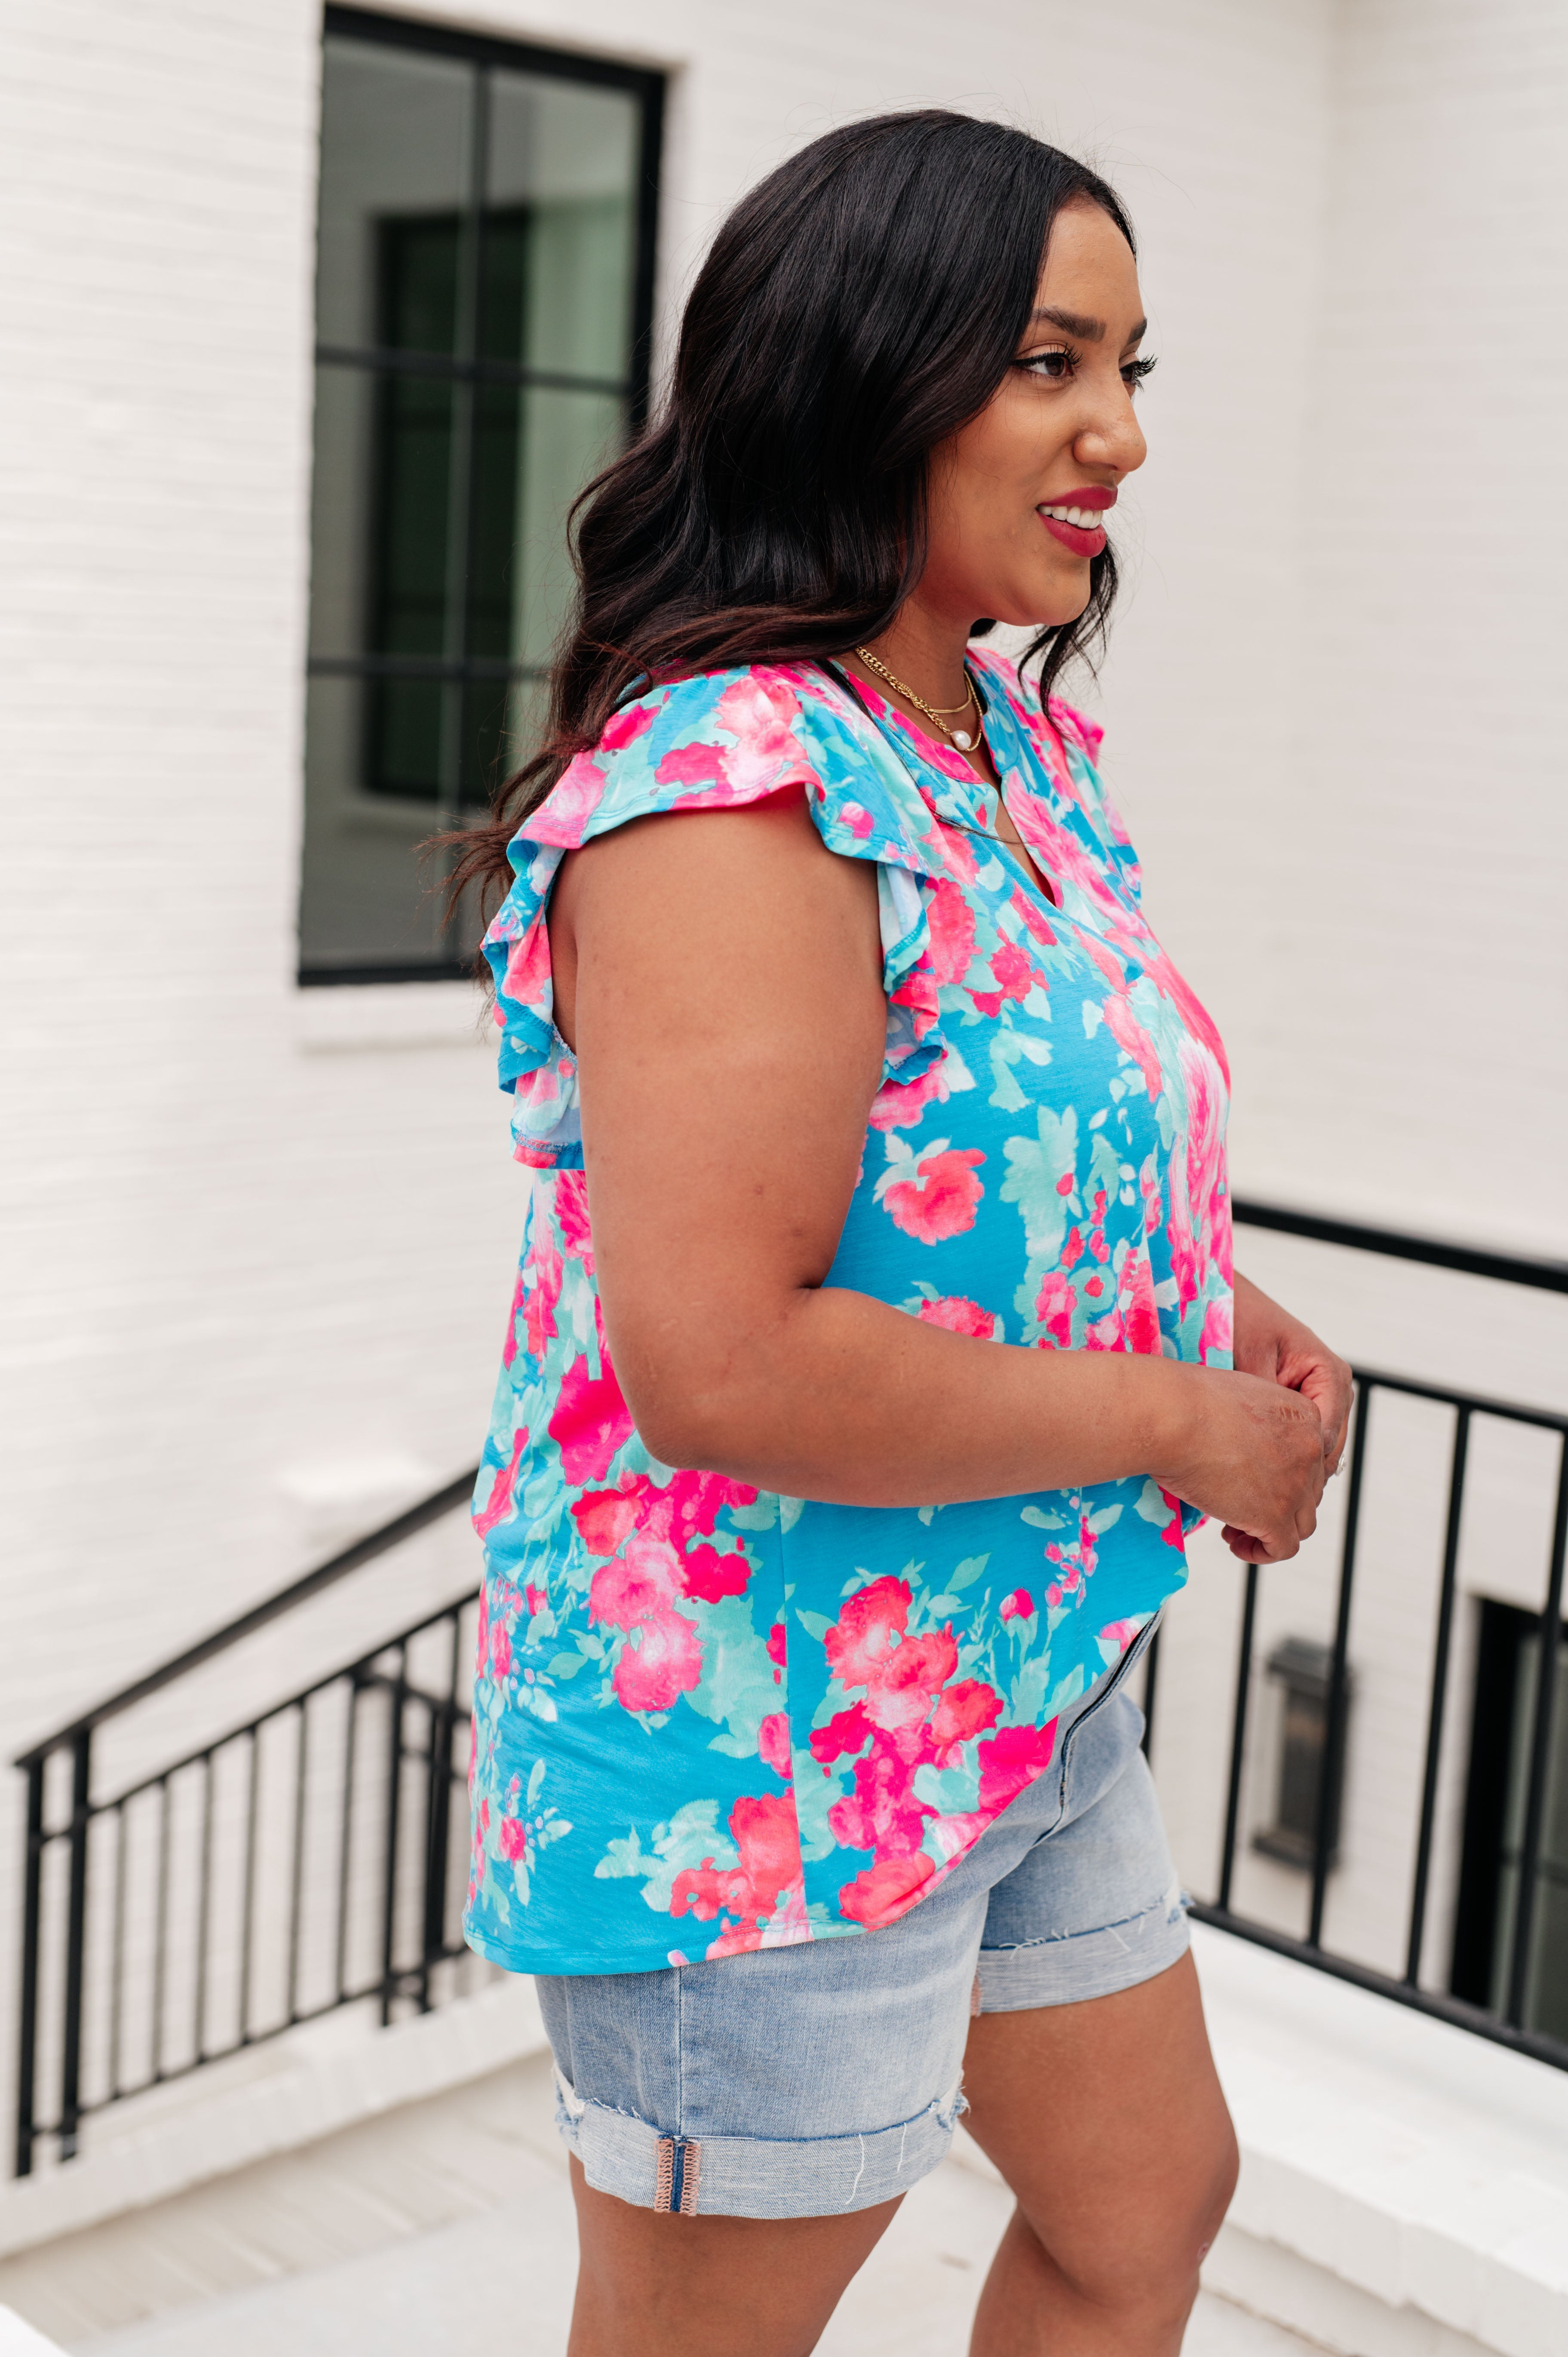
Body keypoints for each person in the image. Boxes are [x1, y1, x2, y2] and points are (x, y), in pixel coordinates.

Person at [449, 111, 1351, 2357]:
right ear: (862, 368)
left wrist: (1217, 1311)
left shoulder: (996, 740)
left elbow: (975, 1164)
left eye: (1132, 366)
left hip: (1015, 1682)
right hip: (760, 1752)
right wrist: (1181, 1424)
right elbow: (724, 1362)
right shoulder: (734, 788)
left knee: (1141, 2214)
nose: (1119, 433)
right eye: (1051, 362)